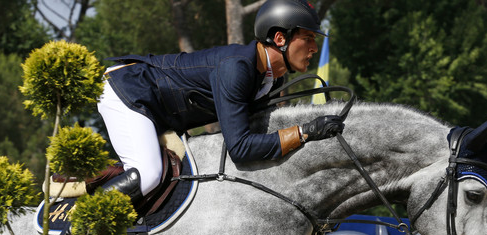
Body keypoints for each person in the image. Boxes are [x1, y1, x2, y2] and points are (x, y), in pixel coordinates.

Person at [97, 0, 344, 206]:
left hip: (156, 109)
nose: (313, 47)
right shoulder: (236, 69)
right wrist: (304, 132)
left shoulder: (272, 79)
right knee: (148, 175)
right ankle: (77, 225)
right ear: (280, 38)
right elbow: (241, 149)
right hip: (130, 90)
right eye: (308, 38)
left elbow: (263, 136)